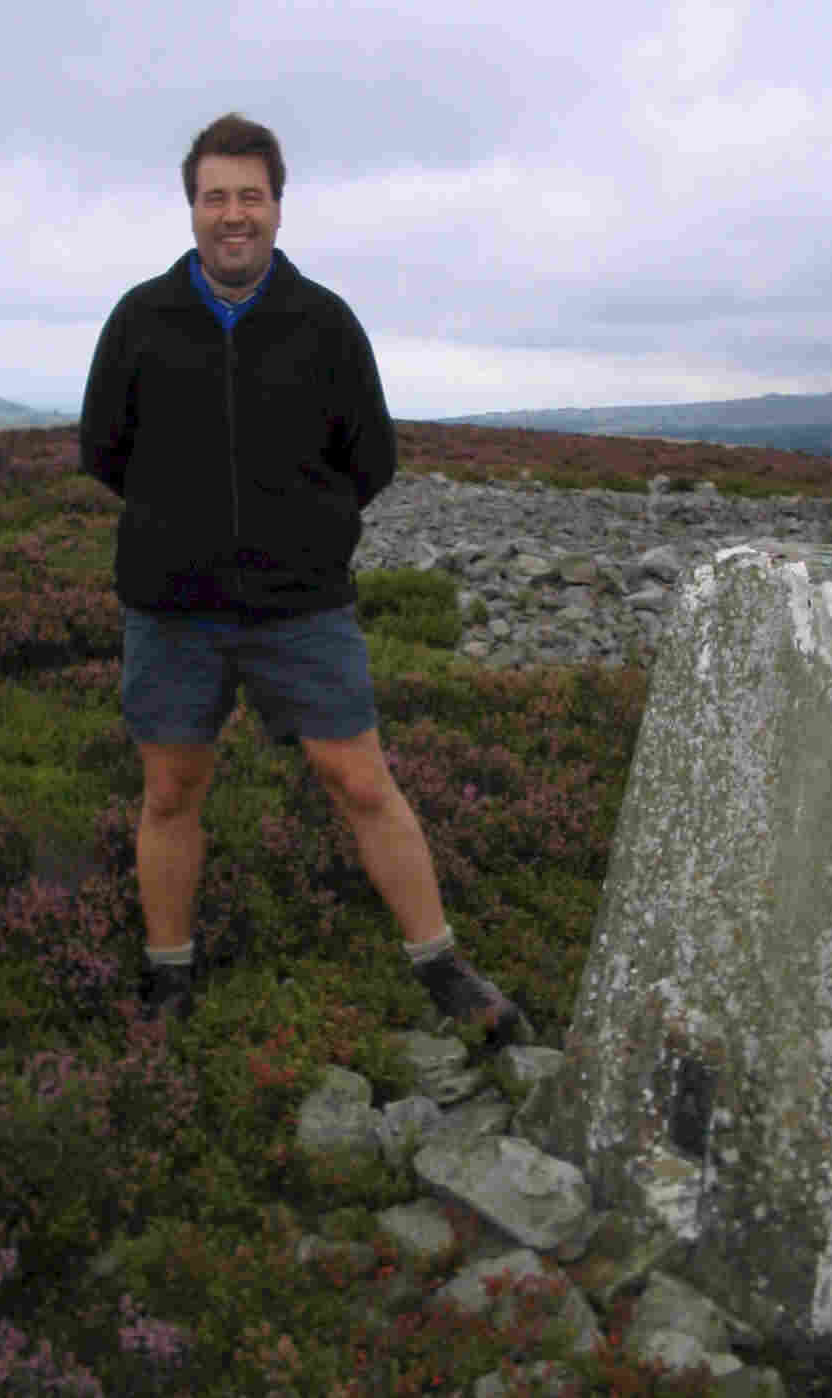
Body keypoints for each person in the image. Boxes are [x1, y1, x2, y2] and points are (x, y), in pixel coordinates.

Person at [80, 112, 522, 1043]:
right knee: (170, 791)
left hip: (300, 607)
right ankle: (169, 977)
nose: (232, 214)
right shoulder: (139, 320)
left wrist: (302, 537)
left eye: (250, 196)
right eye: (215, 197)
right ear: (191, 207)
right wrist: (182, 528)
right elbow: (103, 450)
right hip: (172, 607)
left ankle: (441, 965)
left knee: (361, 780)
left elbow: (374, 459)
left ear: (278, 206)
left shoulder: (324, 324)